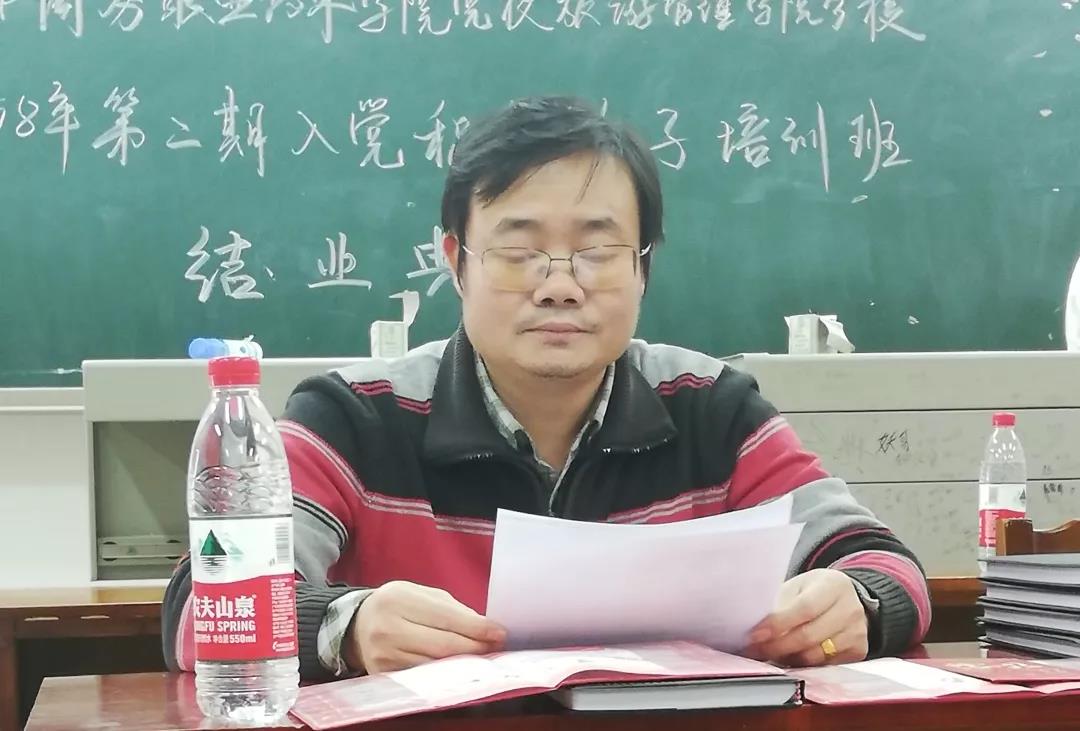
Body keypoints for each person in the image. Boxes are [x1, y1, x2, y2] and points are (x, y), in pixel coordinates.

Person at [163, 96, 930, 680]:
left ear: (643, 267)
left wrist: (855, 604)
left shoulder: (713, 408)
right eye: (520, 251)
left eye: (597, 250)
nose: (560, 285)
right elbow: (204, 606)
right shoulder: (352, 418)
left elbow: (885, 566)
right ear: (456, 261)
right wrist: (349, 625)